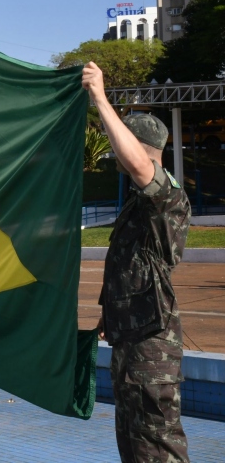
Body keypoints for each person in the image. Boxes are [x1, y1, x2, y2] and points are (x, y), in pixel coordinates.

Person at [83, 62, 191, 463]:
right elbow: (133, 269)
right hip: (131, 342)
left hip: (152, 351)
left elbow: (141, 167)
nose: (114, 152)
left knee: (157, 447)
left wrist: (100, 98)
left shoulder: (168, 197)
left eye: (120, 144)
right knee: (135, 447)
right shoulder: (138, 205)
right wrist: (109, 316)